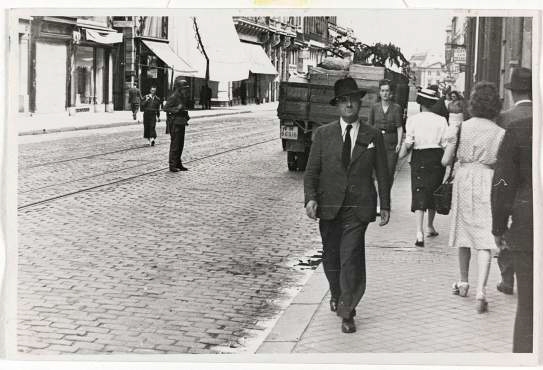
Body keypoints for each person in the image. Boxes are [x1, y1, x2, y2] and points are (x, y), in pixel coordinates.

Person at [304, 77, 390, 334]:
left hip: (358, 208)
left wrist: (385, 203)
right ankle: (336, 292)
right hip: (329, 207)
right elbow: (311, 172)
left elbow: (383, 173)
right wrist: (310, 198)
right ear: (338, 105)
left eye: (353, 99)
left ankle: (347, 310)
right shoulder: (323, 134)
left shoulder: (372, 135)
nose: (349, 104)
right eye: (344, 100)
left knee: (350, 256)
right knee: (331, 258)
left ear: (359, 103)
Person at [442, 81, 505, 314]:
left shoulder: (463, 127)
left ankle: (463, 282)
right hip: (488, 179)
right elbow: (502, 164)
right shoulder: (500, 133)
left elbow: (446, 160)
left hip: (465, 178)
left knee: (464, 232)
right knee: (485, 236)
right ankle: (481, 291)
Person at [491, 116, 533, 353]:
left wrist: (498, 228)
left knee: (528, 307)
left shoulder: (520, 127)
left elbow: (503, 182)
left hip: (528, 229)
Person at [493, 67, 532, 296]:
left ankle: (507, 277)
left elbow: (502, 162)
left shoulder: (505, 118)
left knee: (509, 232)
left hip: (513, 188)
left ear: (512, 93)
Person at [400, 88, 447, 247]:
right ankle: (430, 226)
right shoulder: (441, 121)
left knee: (419, 191)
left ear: (420, 103)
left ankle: (419, 232)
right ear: (433, 103)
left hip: (419, 157)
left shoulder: (413, 120)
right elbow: (445, 144)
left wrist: (400, 155)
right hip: (436, 157)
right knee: (434, 191)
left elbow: (409, 143)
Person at [368, 79, 404, 185]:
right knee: (376, 171)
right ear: (379, 93)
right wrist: (369, 141)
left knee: (389, 171)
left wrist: (399, 143)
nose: (385, 93)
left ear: (391, 93)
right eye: (383, 91)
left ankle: (386, 193)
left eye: (387, 91)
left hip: (391, 144)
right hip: (377, 142)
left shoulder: (396, 108)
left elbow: (399, 127)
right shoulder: (375, 107)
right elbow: (369, 125)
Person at [163, 77, 191, 172]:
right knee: (175, 145)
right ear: (179, 88)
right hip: (175, 123)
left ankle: (178, 164)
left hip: (181, 122)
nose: (185, 90)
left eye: (186, 88)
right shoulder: (174, 97)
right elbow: (165, 108)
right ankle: (172, 165)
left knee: (180, 144)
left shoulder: (182, 96)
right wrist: (176, 109)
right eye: (184, 88)